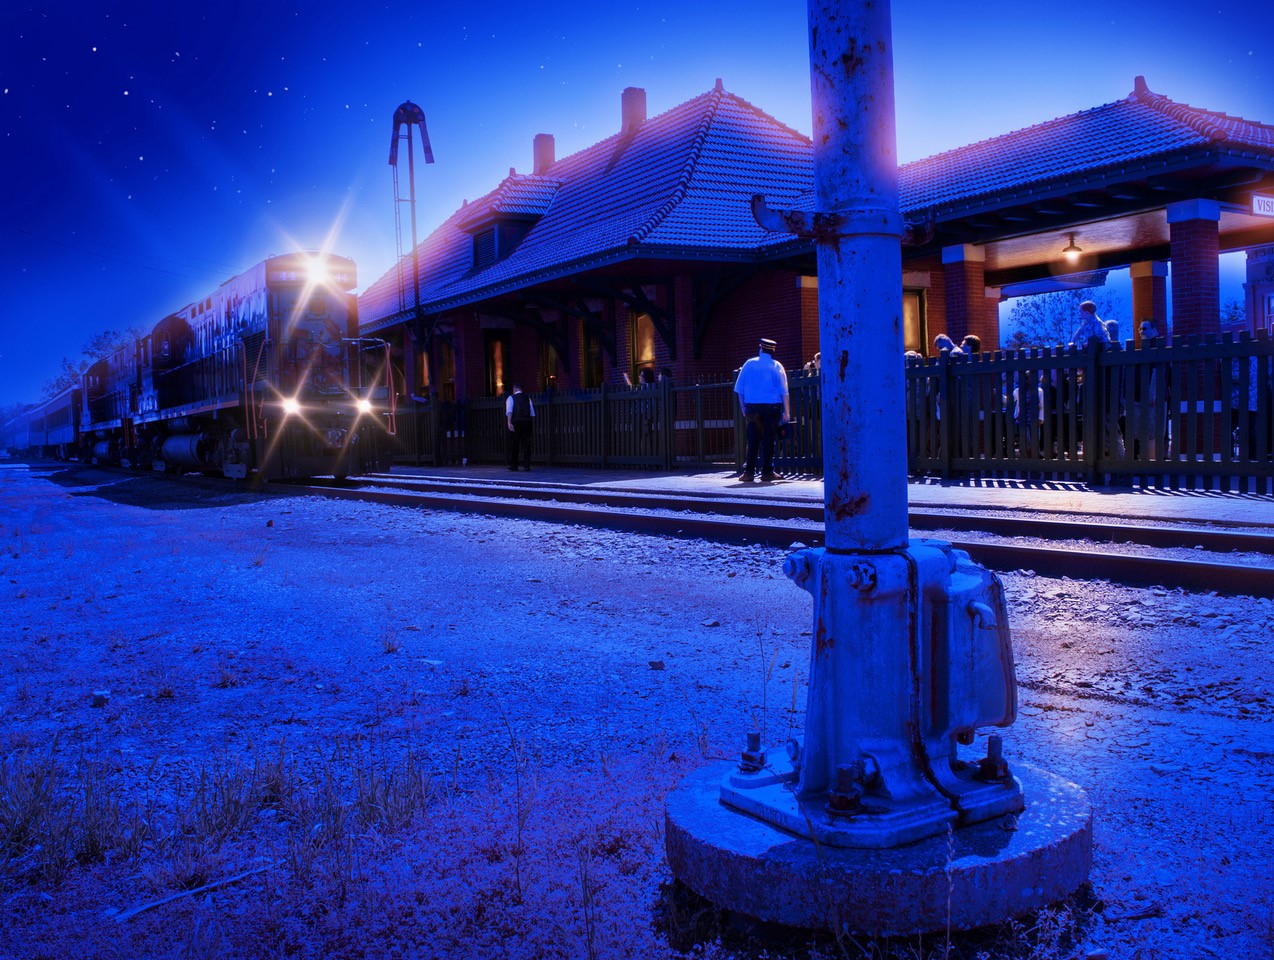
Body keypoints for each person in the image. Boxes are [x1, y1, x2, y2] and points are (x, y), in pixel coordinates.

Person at [733, 337, 790, 482]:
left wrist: (743, 407)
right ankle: (767, 472)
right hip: (772, 407)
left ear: (760, 348)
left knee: (753, 439)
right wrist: (787, 412)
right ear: (773, 351)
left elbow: (739, 388)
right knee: (769, 440)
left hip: (753, 407)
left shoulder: (749, 364)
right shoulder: (777, 366)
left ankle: (748, 472)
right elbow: (784, 391)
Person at [505, 383, 534, 471]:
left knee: (514, 444)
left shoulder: (511, 398)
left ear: (515, 389)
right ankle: (526, 466)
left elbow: (509, 410)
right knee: (526, 445)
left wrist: (509, 422)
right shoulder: (527, 398)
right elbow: (532, 412)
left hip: (516, 422)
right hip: (527, 422)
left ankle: (514, 465)